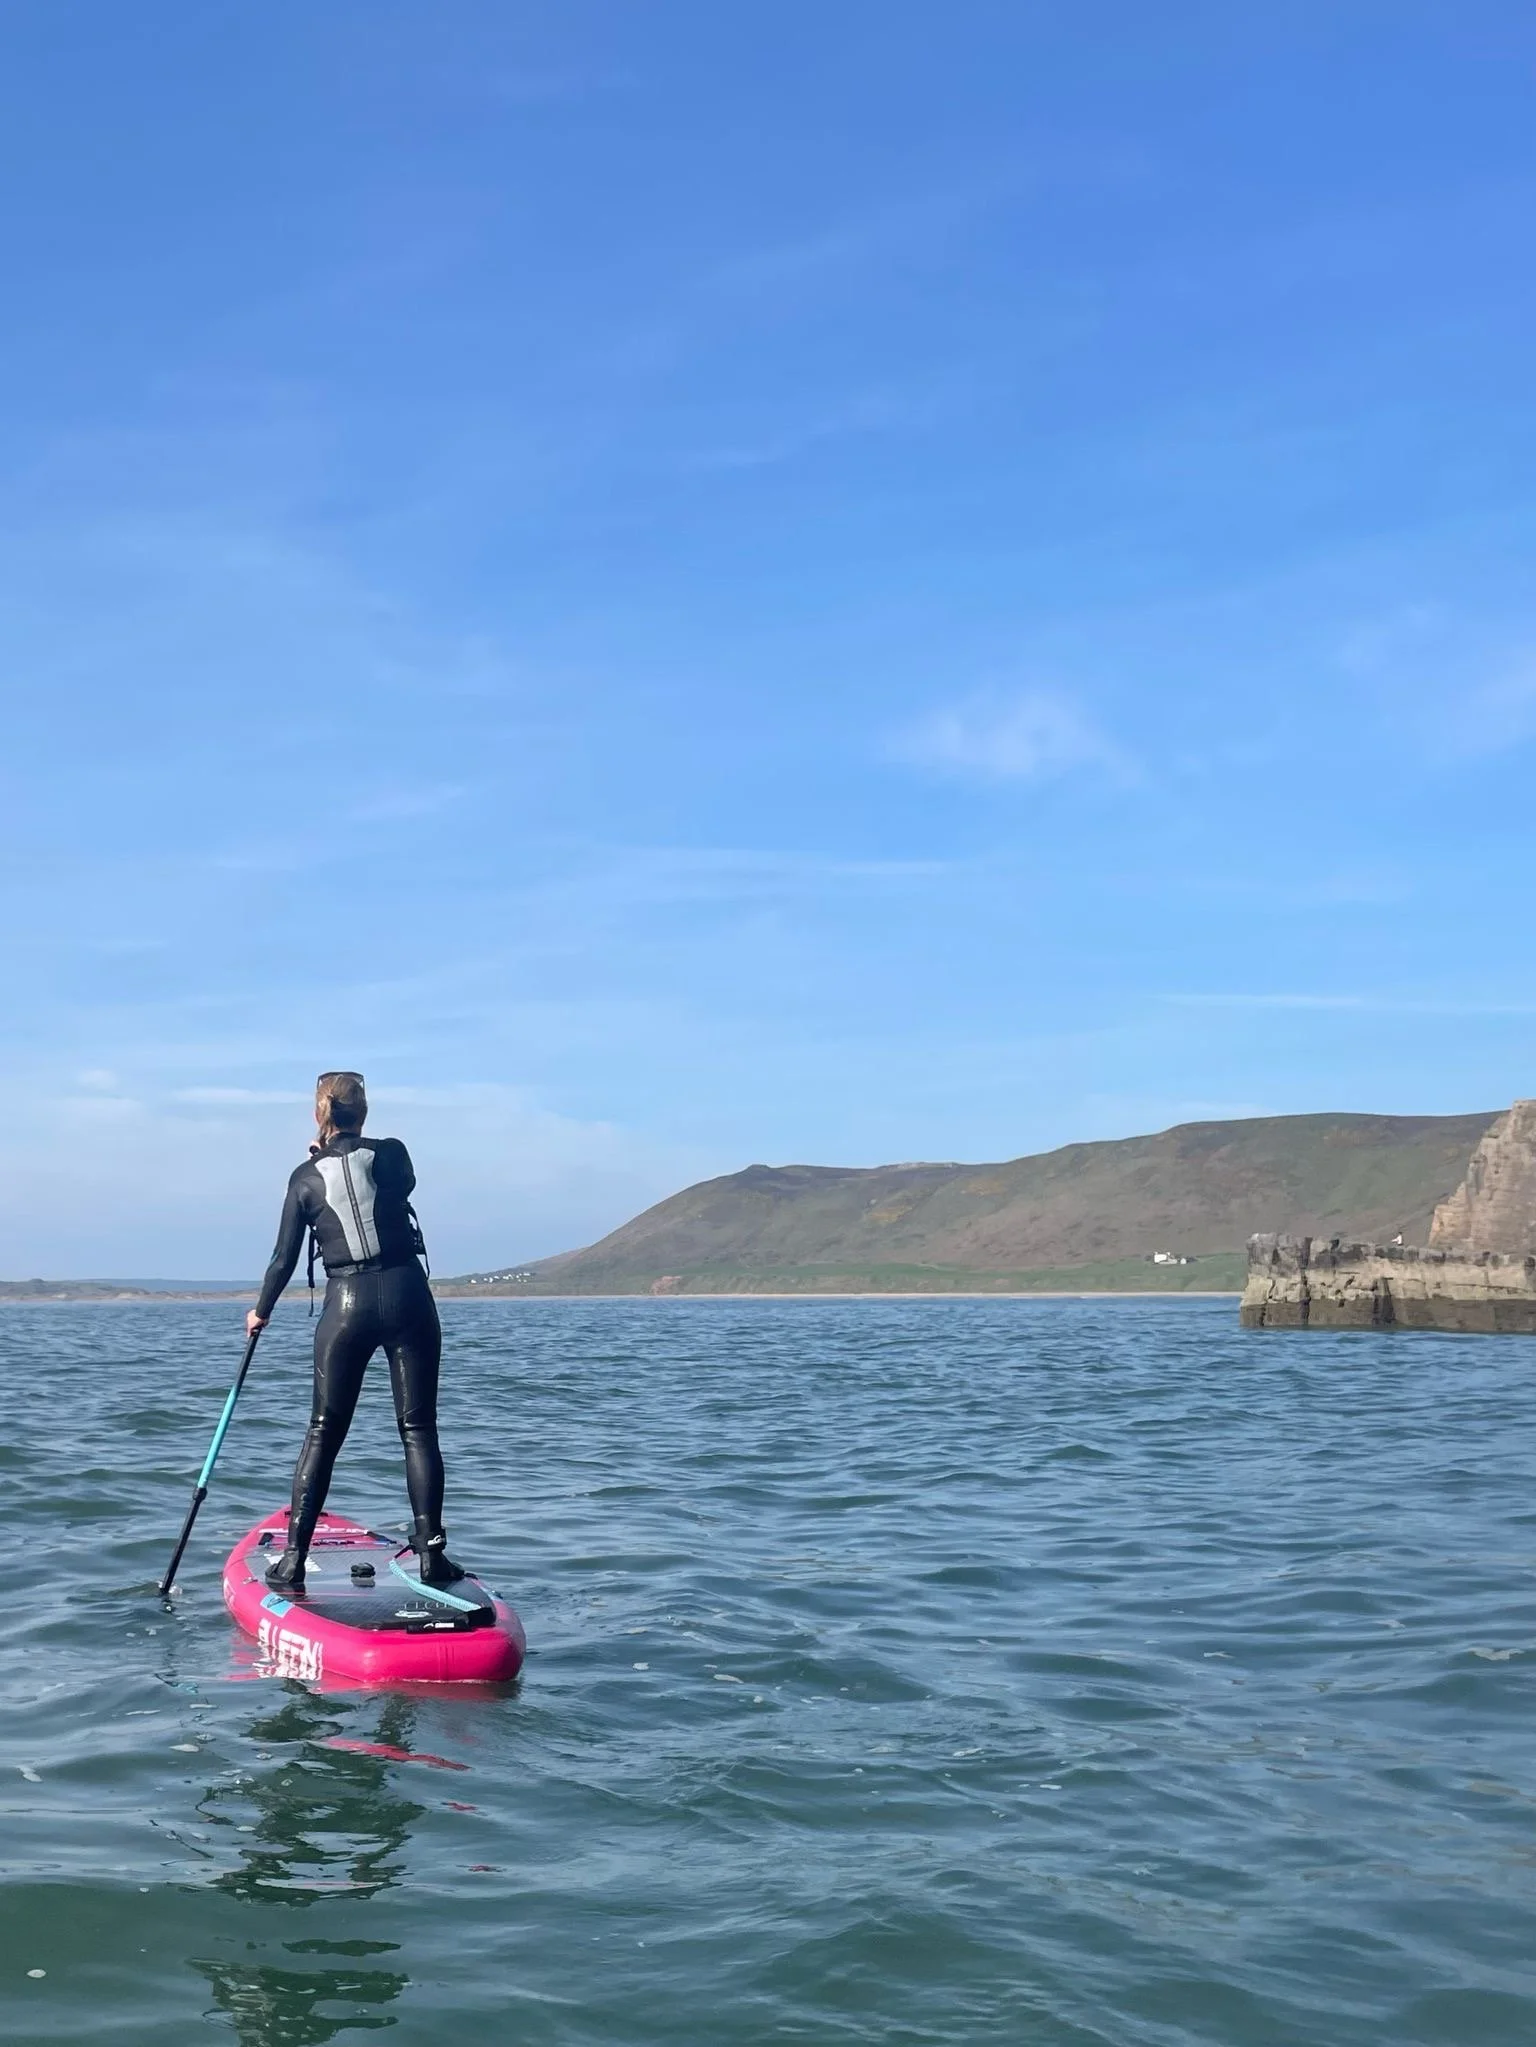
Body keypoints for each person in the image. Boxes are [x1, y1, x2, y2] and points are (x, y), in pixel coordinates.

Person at [247, 1071, 463, 1594]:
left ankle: (293, 1560)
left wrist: (261, 1312)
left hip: (346, 1304)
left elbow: (283, 1258)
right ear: (363, 1110)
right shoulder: (391, 1153)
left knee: (323, 1431)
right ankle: (432, 1557)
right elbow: (400, 1183)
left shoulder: (304, 1177)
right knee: (418, 1430)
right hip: (408, 1295)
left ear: (318, 1114)